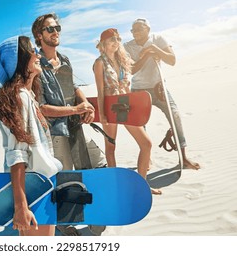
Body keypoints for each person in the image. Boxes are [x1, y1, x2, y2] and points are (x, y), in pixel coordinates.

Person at [31, 13, 107, 235]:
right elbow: (41, 108)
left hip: (75, 127)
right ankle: (63, 224)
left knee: (98, 162)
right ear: (39, 35)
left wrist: (84, 103)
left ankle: (94, 213)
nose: (56, 32)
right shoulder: (35, 65)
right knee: (63, 179)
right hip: (54, 132)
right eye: (50, 29)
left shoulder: (64, 60)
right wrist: (76, 109)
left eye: (58, 28)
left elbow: (73, 87)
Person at [0, 35, 63, 236]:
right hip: (34, 189)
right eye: (31, 50)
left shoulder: (28, 95)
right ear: (20, 61)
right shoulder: (19, 98)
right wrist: (21, 206)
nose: (36, 54)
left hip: (42, 184)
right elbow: (17, 155)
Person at [124, 18, 200, 170]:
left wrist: (155, 49)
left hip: (159, 88)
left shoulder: (158, 39)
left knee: (175, 116)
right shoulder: (127, 46)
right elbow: (131, 70)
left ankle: (183, 157)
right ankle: (147, 160)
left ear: (148, 29)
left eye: (139, 29)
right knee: (140, 124)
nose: (135, 33)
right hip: (139, 89)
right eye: (133, 30)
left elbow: (172, 60)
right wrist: (146, 55)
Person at [93, 28, 161, 195]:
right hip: (109, 107)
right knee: (110, 148)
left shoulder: (123, 59)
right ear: (103, 44)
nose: (116, 42)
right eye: (111, 39)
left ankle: (141, 185)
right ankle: (115, 187)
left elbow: (135, 69)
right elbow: (100, 90)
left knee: (146, 144)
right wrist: (101, 114)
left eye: (117, 38)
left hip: (124, 105)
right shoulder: (99, 62)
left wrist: (150, 56)